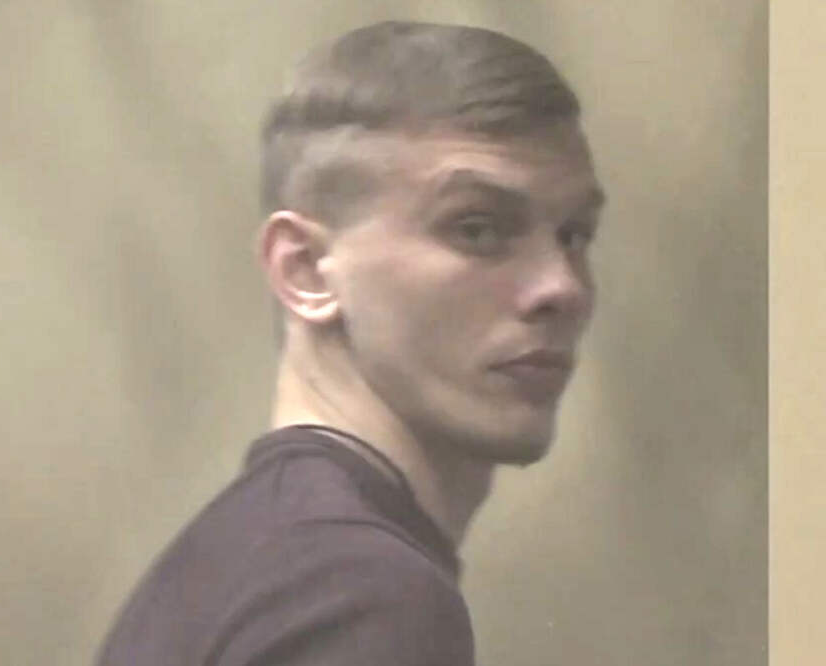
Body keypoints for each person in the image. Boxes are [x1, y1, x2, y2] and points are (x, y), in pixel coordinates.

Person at [97, 20, 603, 666]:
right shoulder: (360, 591)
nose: (563, 287)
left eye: (574, 235)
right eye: (477, 229)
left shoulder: (249, 560)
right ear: (305, 270)